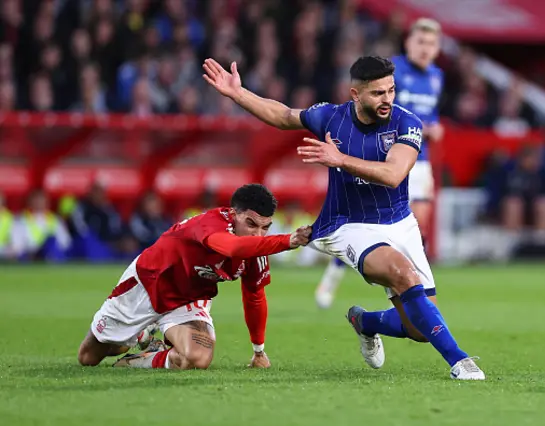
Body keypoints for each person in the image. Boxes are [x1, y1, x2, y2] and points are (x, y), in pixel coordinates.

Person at [202, 55, 484, 380]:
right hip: (346, 225)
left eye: (391, 91)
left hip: (399, 222)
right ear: (355, 94)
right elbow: (283, 115)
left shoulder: (408, 123)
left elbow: (393, 175)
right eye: (378, 93)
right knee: (403, 274)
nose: (387, 100)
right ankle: (461, 362)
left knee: (420, 328)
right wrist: (238, 94)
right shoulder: (331, 117)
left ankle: (365, 322)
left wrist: (340, 159)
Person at [77, 184, 311, 369]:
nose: (258, 235)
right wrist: (287, 240)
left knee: (197, 358)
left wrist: (258, 351)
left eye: (265, 227)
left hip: (190, 299)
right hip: (149, 284)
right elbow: (233, 249)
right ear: (233, 213)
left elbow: (255, 296)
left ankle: (140, 360)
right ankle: (139, 334)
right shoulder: (210, 223)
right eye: (251, 224)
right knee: (88, 357)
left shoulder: (257, 250)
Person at [314, 18, 444, 309]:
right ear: (408, 43)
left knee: (418, 224)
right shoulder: (390, 71)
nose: (425, 49)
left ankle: (400, 290)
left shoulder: (437, 76)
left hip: (418, 160)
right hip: (382, 156)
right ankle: (337, 270)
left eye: (431, 44)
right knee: (369, 220)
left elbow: (429, 115)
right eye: (420, 42)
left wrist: (434, 128)